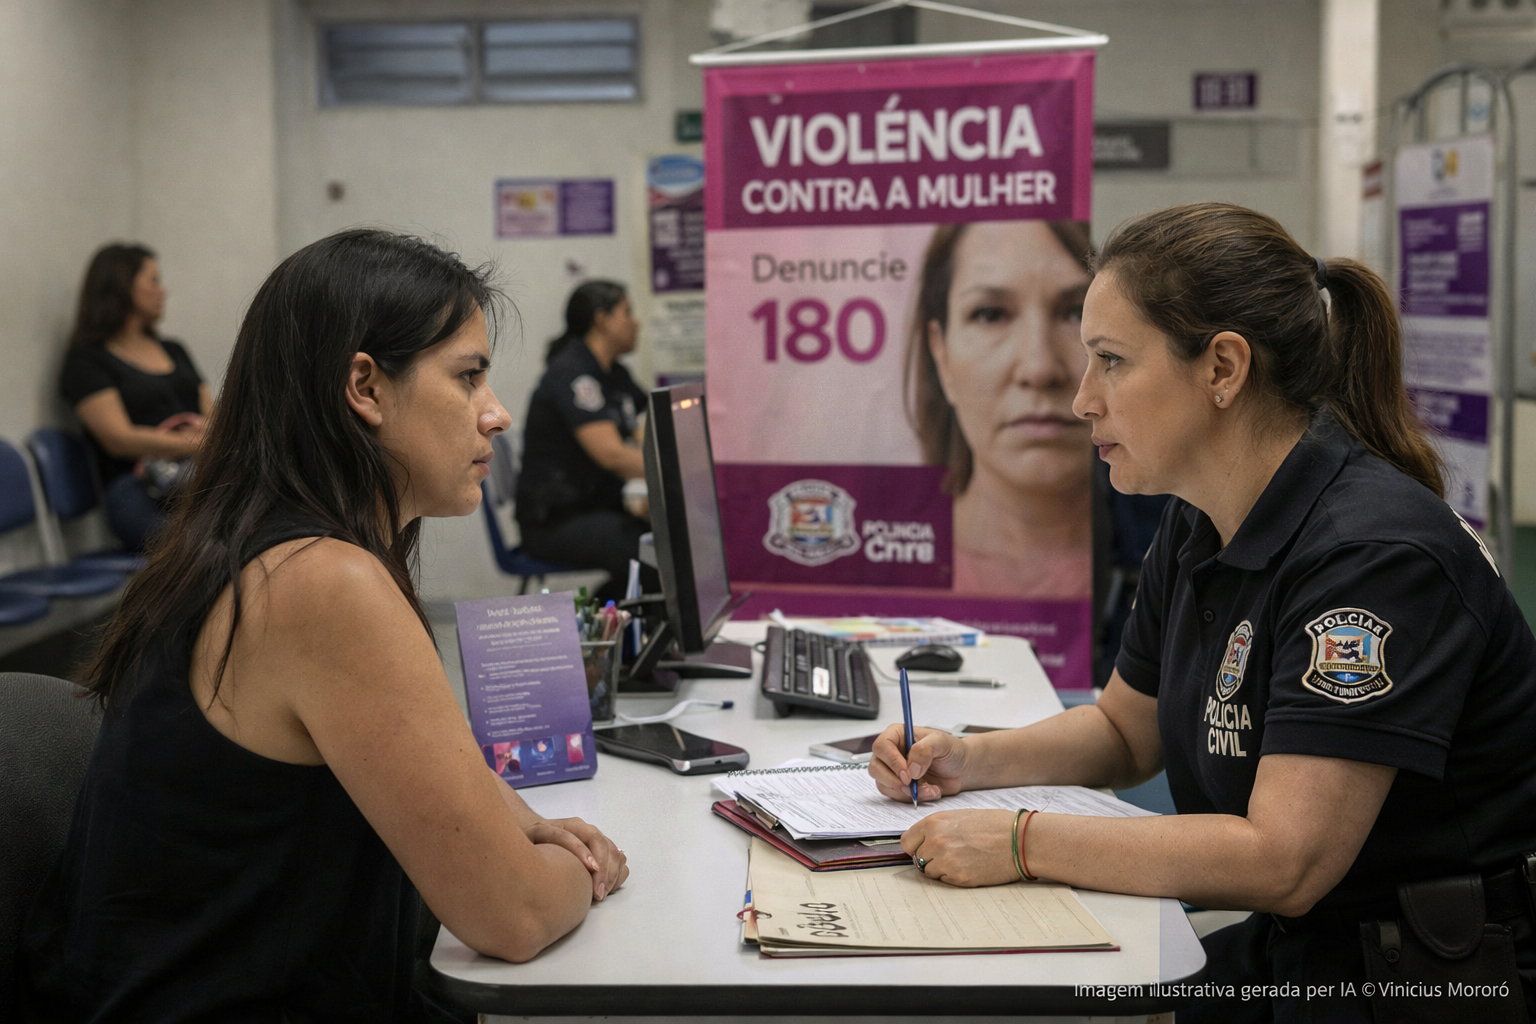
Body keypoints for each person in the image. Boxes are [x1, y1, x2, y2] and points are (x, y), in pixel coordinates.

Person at [871, 203, 1536, 1022]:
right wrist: (971, 762)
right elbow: (1124, 732)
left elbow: (1284, 860)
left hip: (1427, 977)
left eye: (1110, 361)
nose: (1081, 399)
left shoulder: (1374, 557)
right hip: (1312, 947)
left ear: (1223, 368)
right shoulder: (1201, 514)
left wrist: (1020, 841)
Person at [23, 230, 628, 1021]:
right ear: (366, 389)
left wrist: (521, 822)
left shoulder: (252, 550)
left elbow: (412, 757)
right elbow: (510, 917)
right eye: (469, 376)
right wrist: (587, 869)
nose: (497, 414)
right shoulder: (323, 583)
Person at [905, 220, 1095, 598]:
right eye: (991, 314)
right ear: (941, 355)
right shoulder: (887, 571)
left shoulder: (1187, 560)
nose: (1040, 368)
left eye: (1076, 312)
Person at [59, 244, 213, 550]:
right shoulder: (87, 361)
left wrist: (211, 438)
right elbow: (120, 439)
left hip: (198, 473)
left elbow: (213, 414)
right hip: (137, 488)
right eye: (153, 281)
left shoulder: (174, 350)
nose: (162, 291)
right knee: (205, 548)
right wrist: (197, 443)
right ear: (121, 287)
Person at [516, 279, 655, 602]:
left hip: (590, 509)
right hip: (555, 522)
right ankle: (624, 635)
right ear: (601, 318)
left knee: (658, 543)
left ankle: (611, 614)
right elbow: (613, 456)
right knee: (649, 553)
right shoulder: (574, 374)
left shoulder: (614, 375)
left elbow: (650, 428)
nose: (636, 323)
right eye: (627, 312)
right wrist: (675, 477)